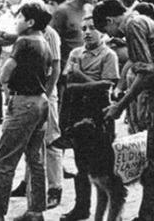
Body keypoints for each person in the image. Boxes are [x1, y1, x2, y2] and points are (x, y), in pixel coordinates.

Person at [99, 0, 154, 221]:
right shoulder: (140, 20)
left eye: (108, 30)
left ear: (110, 19)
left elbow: (146, 71)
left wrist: (120, 105)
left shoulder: (132, 25)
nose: (114, 37)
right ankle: (149, 215)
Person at [0, 0, 54, 221]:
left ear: (30, 21)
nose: (16, 21)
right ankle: (36, 210)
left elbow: (4, 74)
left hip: (23, 102)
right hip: (40, 100)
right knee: (35, 158)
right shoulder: (45, 42)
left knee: (4, 160)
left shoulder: (24, 43)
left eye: (20, 17)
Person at [58, 16, 122, 221]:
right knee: (81, 164)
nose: (86, 32)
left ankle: (112, 210)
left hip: (99, 113)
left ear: (101, 31)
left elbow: (106, 86)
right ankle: (82, 206)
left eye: (92, 28)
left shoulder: (108, 54)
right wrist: (86, 81)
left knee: (103, 162)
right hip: (78, 110)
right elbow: (69, 84)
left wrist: (80, 77)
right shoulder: (76, 53)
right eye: (83, 28)